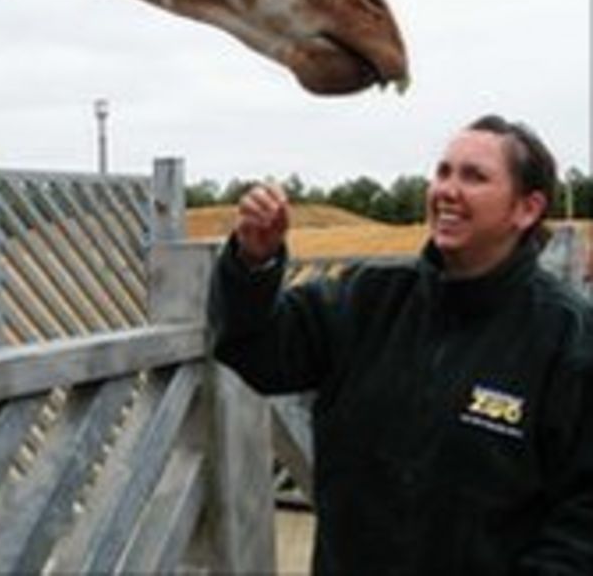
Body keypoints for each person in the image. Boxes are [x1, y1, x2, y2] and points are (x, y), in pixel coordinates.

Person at [208, 115, 593, 575]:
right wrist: (254, 262)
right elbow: (257, 350)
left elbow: (583, 518)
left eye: (474, 176)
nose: (446, 189)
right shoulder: (366, 299)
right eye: (443, 171)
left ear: (526, 210)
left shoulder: (568, 337)